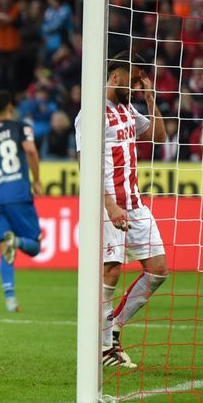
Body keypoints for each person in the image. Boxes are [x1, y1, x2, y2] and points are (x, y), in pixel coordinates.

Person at [75, 51, 168, 368]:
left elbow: (158, 136)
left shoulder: (129, 109)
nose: (136, 84)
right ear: (116, 76)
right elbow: (85, 163)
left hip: (135, 203)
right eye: (133, 78)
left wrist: (150, 98)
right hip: (108, 203)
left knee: (158, 270)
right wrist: (108, 203)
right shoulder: (92, 113)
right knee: (110, 270)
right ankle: (102, 350)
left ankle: (113, 328)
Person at [0, 90, 42, 312]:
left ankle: (11, 300)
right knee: (34, 247)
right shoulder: (20, 127)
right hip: (17, 193)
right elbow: (31, 150)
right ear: (11, 107)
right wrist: (37, 180)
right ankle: (18, 242)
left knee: (3, 248)